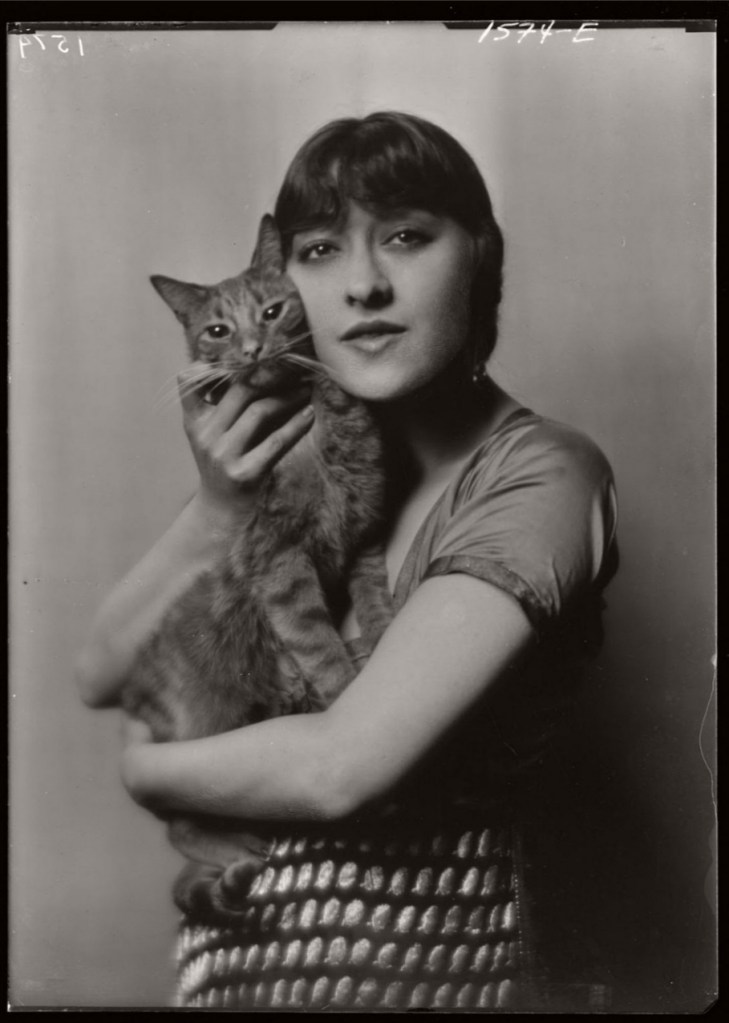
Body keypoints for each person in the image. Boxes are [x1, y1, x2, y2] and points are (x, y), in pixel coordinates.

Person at [77, 111, 618, 1011]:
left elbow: (341, 767)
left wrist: (143, 771)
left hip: (440, 972)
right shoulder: (295, 455)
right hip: (239, 978)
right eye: (321, 250)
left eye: (406, 236)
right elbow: (100, 672)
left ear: (478, 256)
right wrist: (216, 506)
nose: (364, 285)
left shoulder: (545, 473)